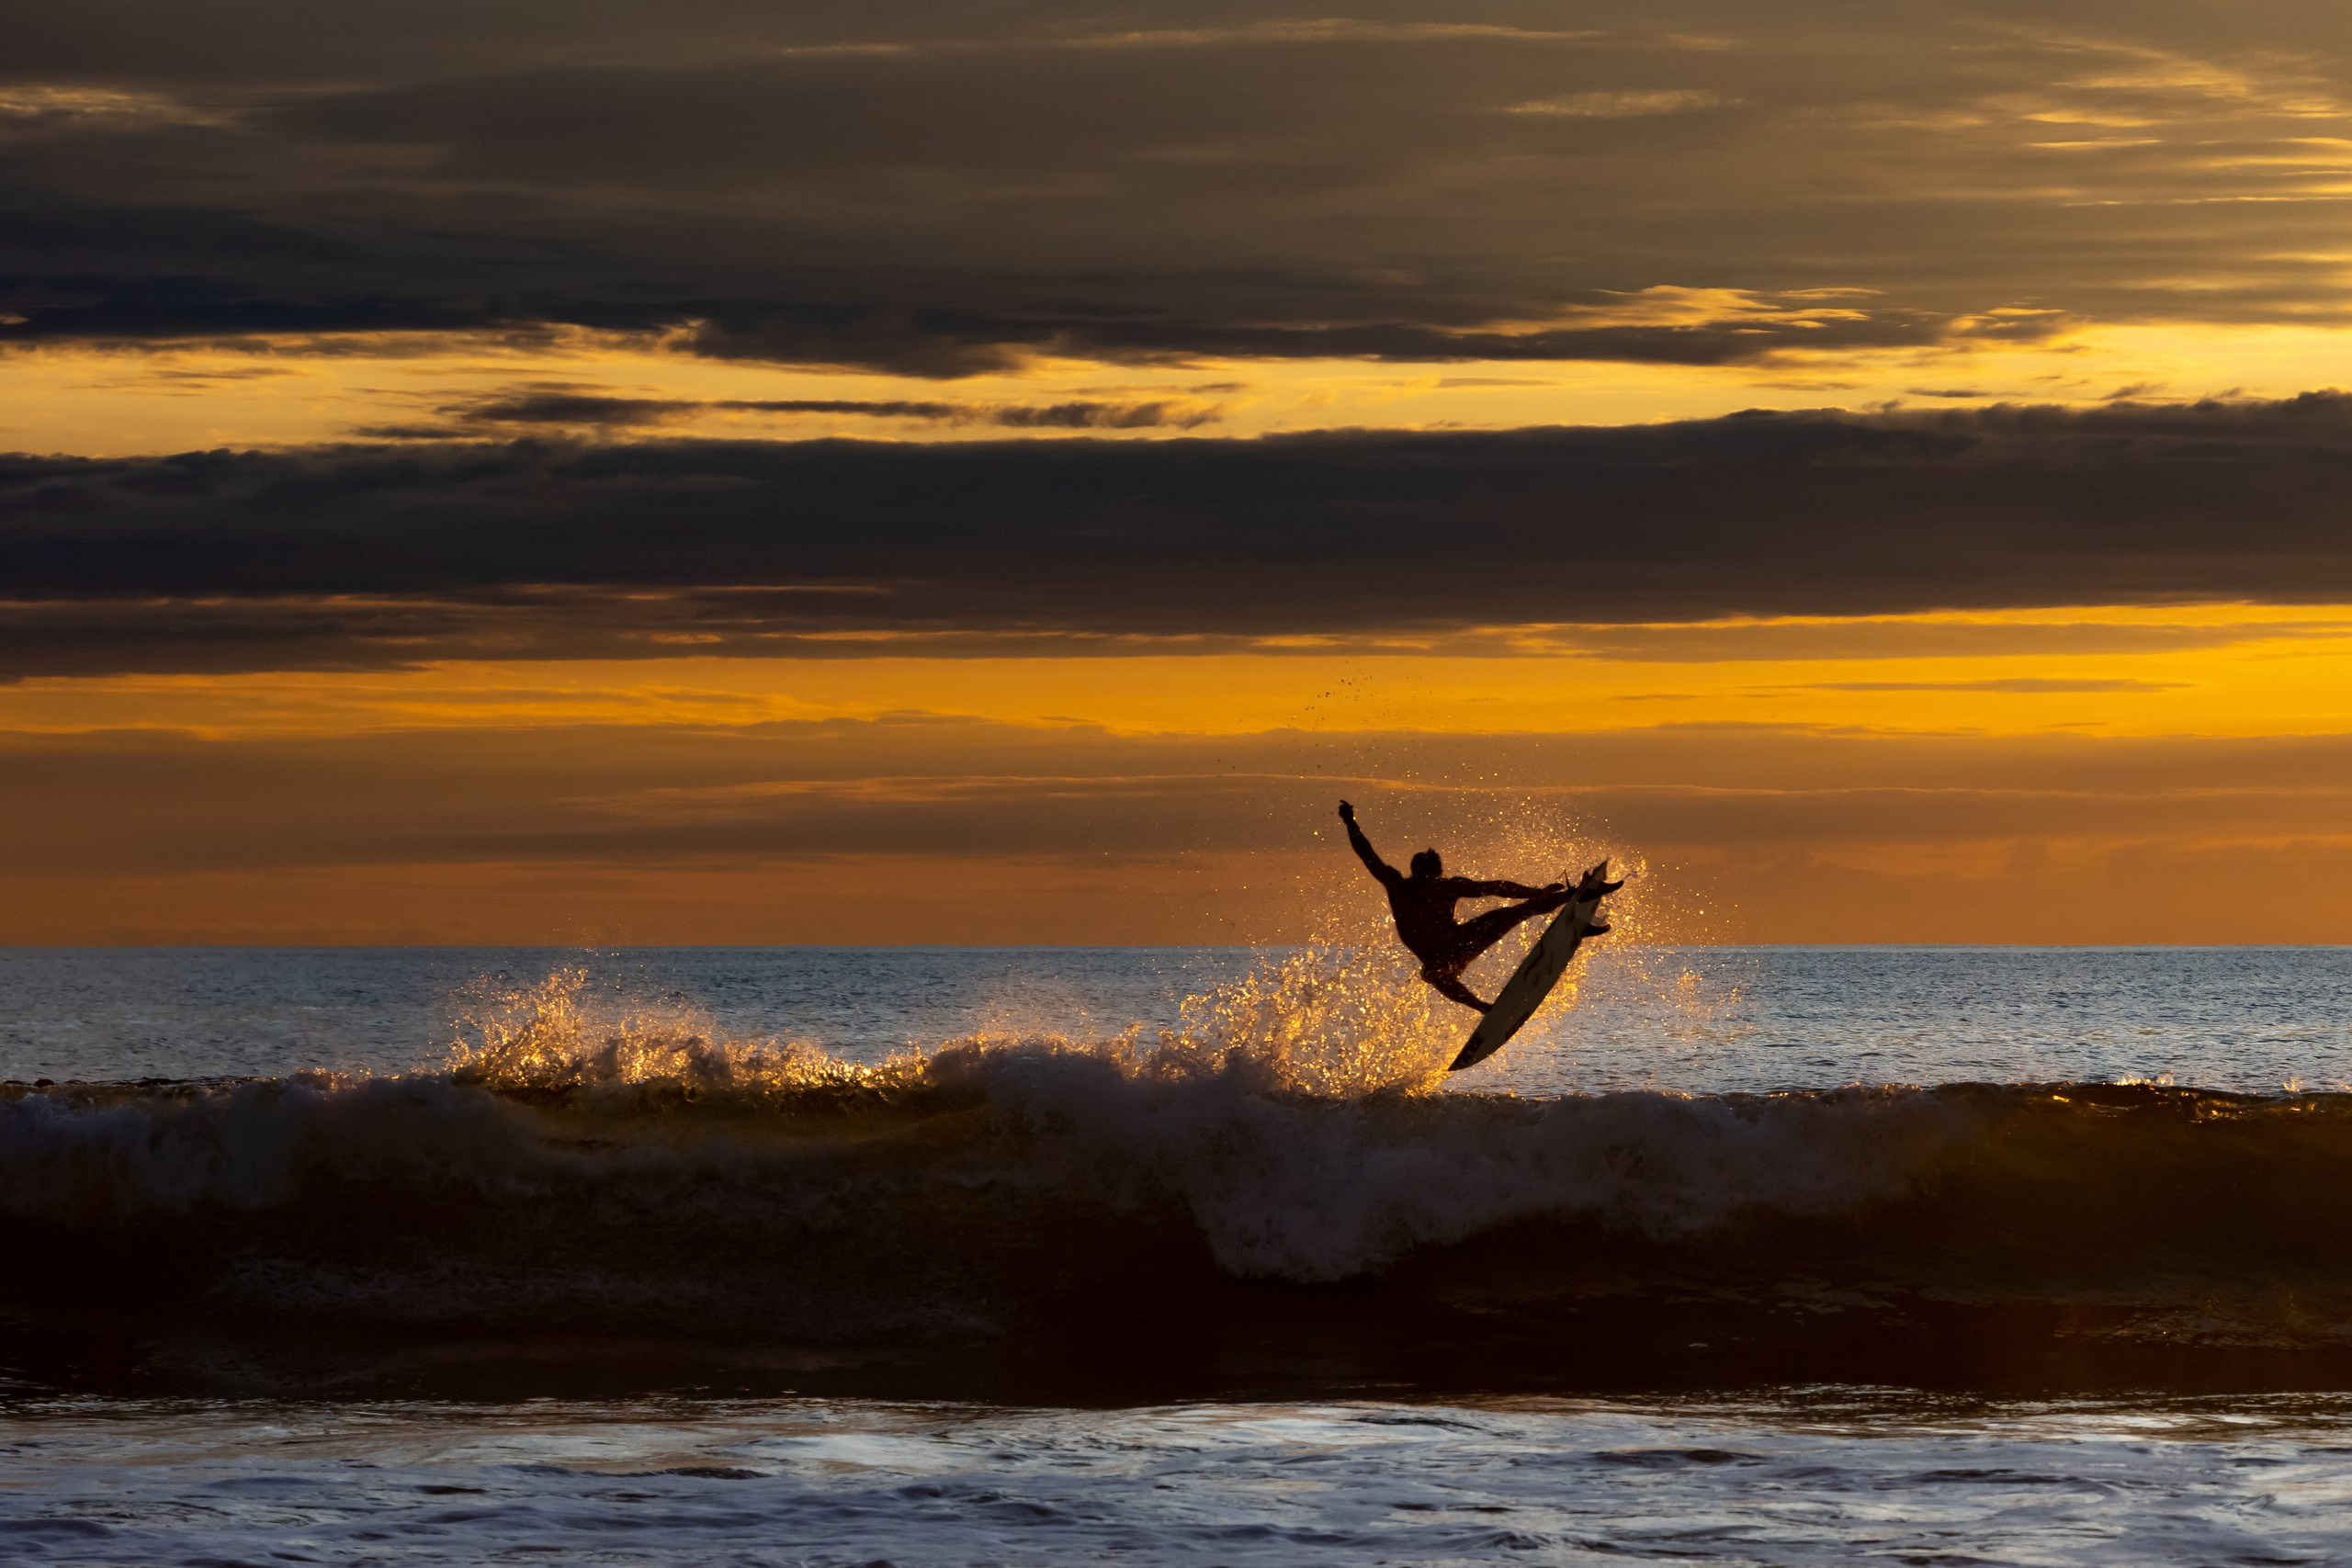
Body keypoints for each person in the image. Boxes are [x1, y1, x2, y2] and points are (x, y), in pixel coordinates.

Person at [1338, 800, 1620, 1013]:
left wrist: (1536, 893)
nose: (1430, 884)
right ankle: (1484, 1008)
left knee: (1508, 913)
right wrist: (1351, 824)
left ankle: (1577, 897)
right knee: (1432, 973)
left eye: (1432, 879)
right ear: (1417, 873)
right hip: (1444, 960)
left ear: (1436, 875)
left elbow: (1496, 888)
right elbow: (1366, 853)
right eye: (1426, 879)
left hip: (1461, 944)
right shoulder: (1398, 884)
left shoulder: (1442, 886)